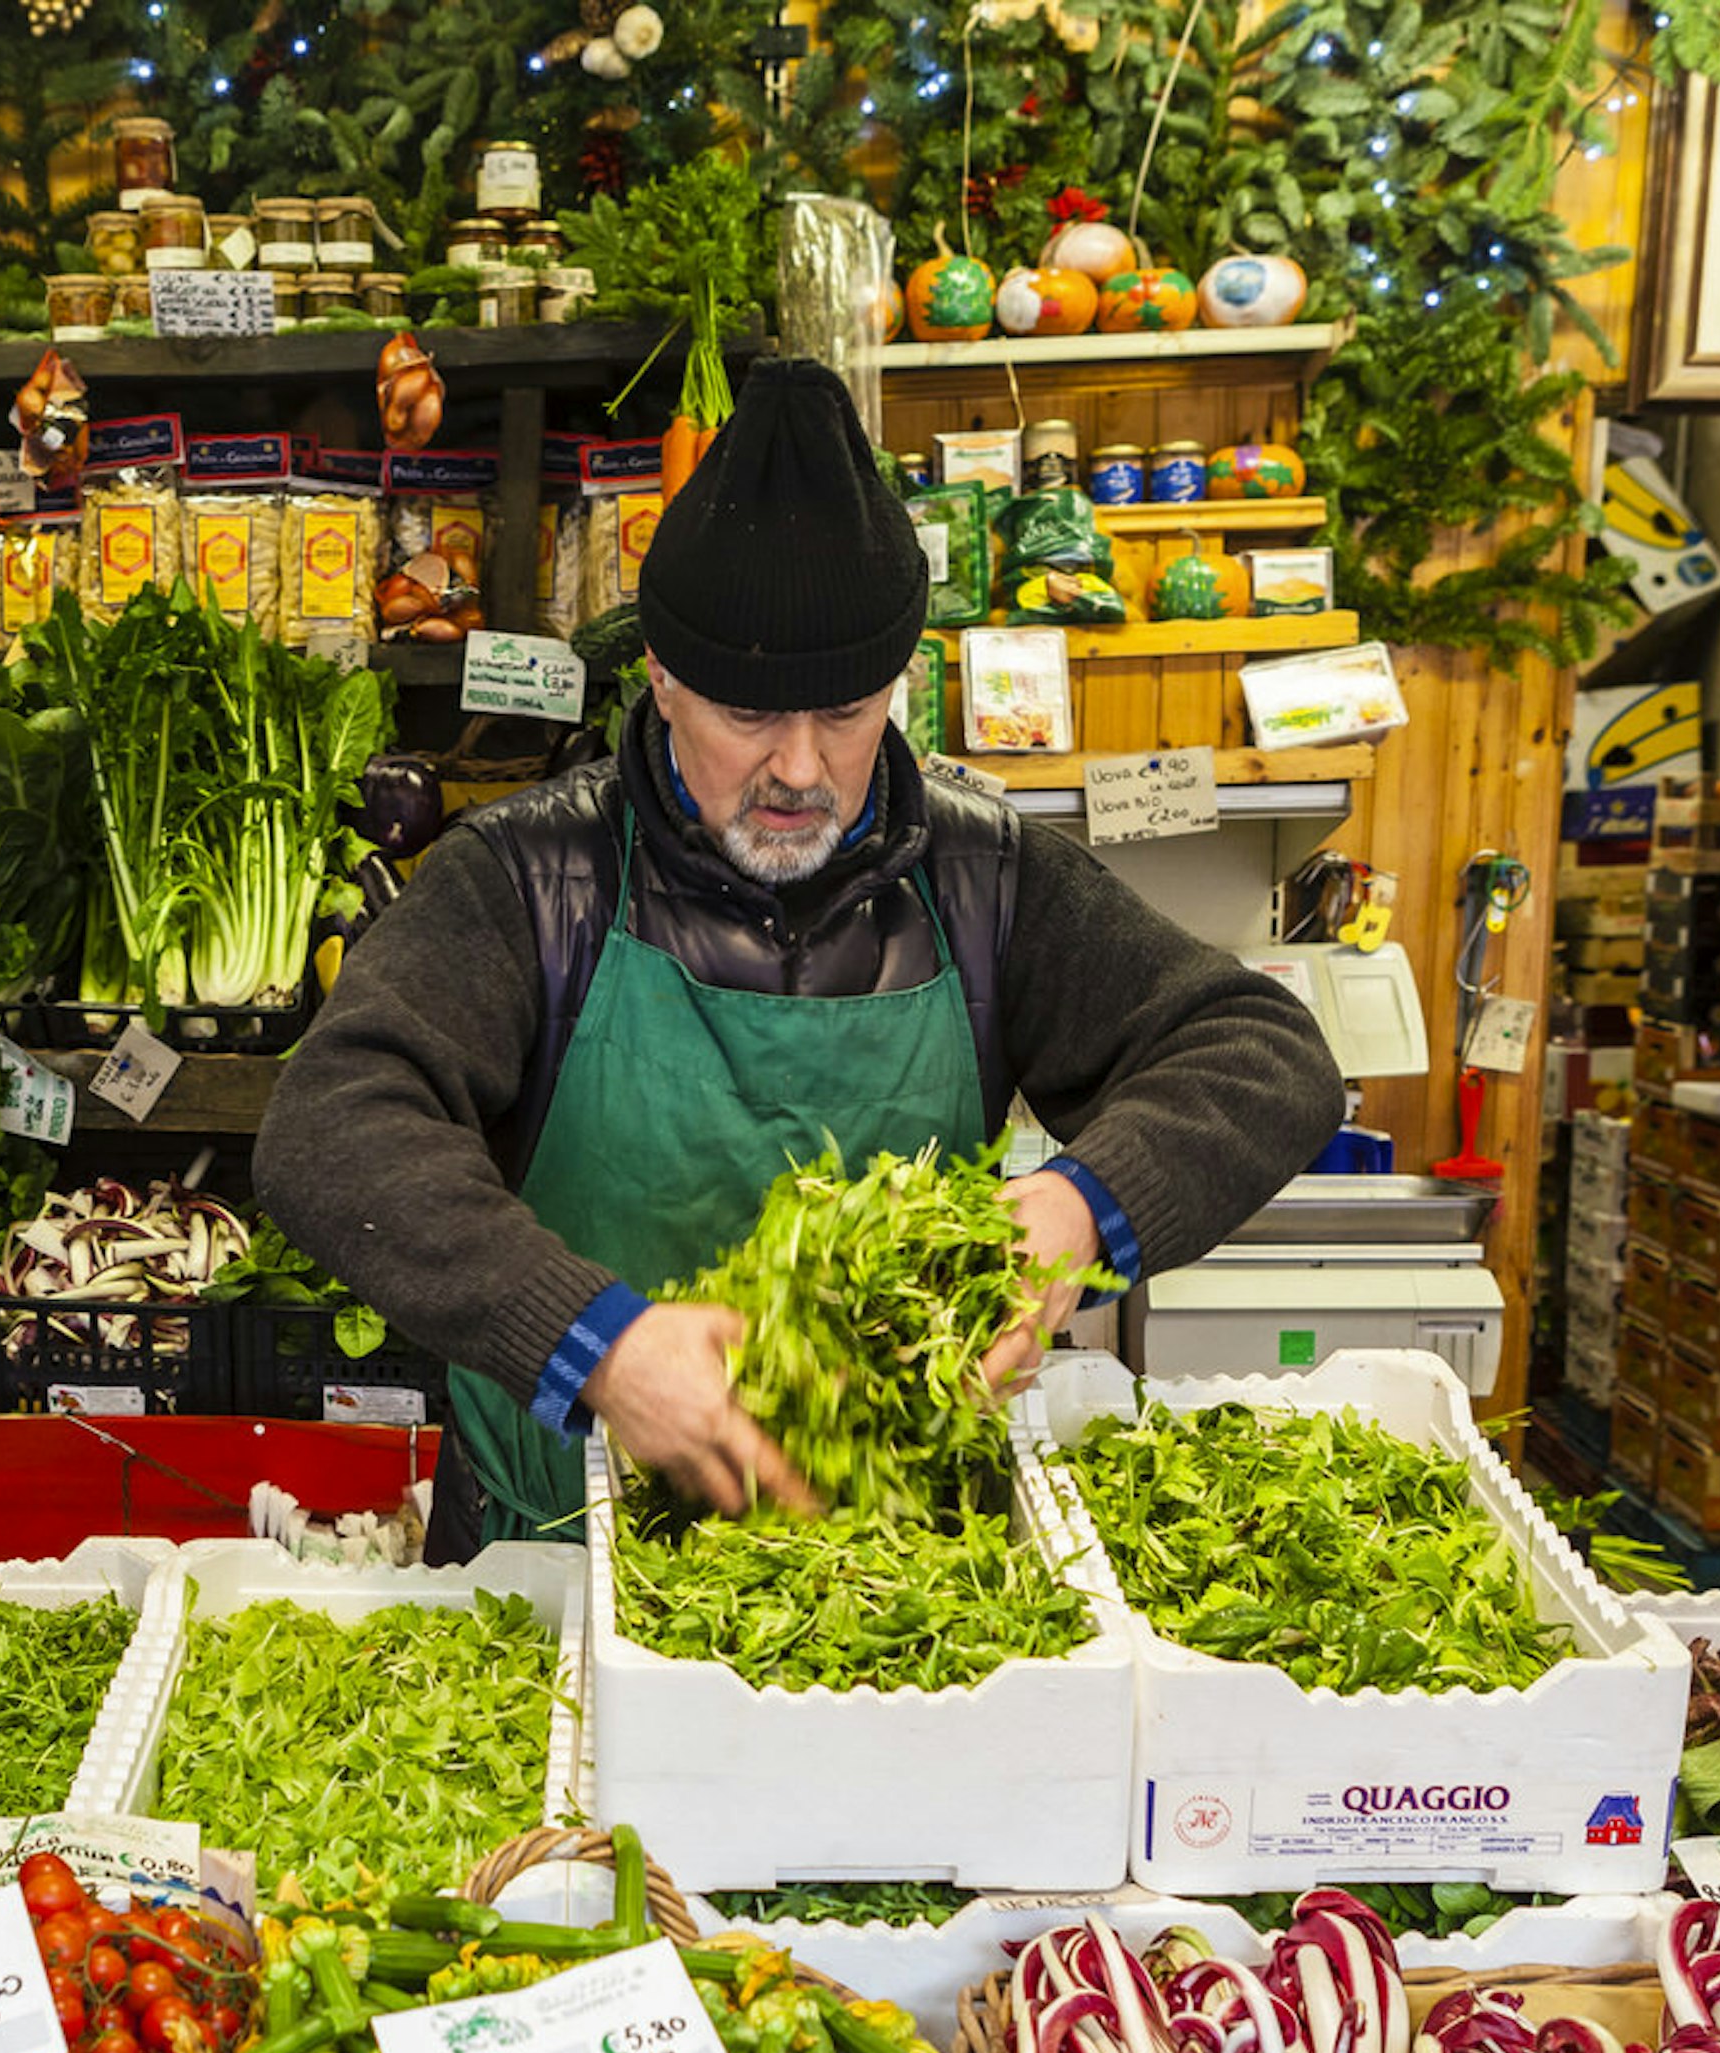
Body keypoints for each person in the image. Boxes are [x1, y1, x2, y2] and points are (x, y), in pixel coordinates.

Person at [257, 358, 1343, 1557]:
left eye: (843, 711)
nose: (799, 769)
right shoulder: (527, 876)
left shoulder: (984, 877)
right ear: (662, 679)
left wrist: (1085, 1206)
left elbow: (1262, 1052)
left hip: (891, 1569)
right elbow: (331, 1124)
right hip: (550, 1557)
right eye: (747, 713)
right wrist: (596, 1339)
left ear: (899, 683)